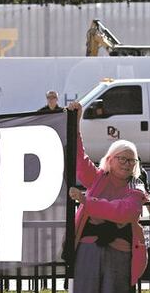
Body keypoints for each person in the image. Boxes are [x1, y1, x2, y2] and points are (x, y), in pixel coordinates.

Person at [67, 101, 149, 293]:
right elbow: (79, 157)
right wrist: (75, 123)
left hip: (120, 254)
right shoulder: (97, 178)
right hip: (87, 250)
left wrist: (87, 202)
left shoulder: (136, 184)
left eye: (132, 161)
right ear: (110, 160)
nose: (127, 164)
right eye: (122, 159)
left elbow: (125, 212)